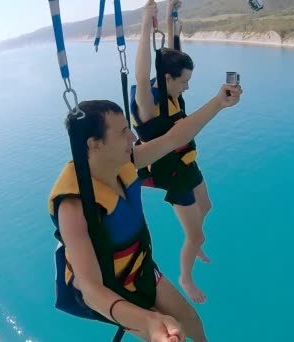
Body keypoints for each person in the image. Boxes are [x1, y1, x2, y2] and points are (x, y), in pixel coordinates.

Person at [48, 83, 241, 341]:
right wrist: (149, 321)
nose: (132, 138)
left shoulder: (124, 163)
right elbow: (91, 290)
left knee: (190, 320)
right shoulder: (73, 207)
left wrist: (218, 103)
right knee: (170, 334)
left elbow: (175, 137)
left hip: (139, 268)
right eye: (123, 132)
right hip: (110, 289)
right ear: (95, 145)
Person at [130, 0, 213, 304]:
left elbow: (173, 44)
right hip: (172, 172)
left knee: (207, 207)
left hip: (186, 161)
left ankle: (194, 241)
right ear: (167, 78)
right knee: (196, 234)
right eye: (185, 82)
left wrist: (169, 13)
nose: (188, 88)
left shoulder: (169, 82)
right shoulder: (148, 103)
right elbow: (140, 75)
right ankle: (186, 277)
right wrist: (144, 22)